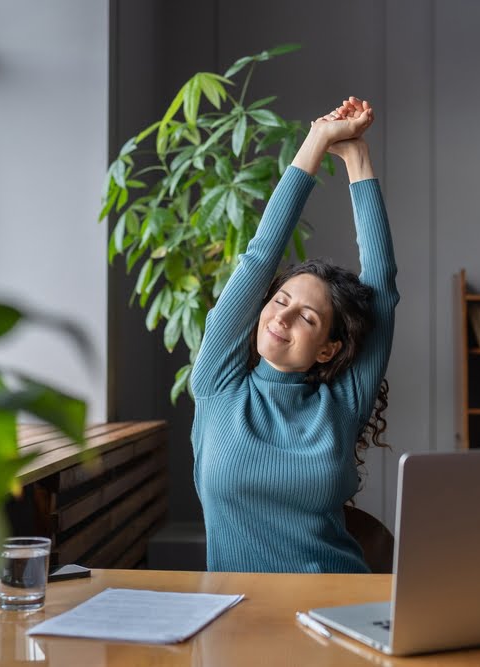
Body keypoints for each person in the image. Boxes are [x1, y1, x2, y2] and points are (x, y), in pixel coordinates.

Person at [189, 96, 399, 573]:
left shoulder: (342, 404)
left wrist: (356, 157)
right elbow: (261, 256)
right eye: (280, 301)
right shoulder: (218, 384)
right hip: (238, 614)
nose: (281, 318)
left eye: (307, 318)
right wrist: (317, 139)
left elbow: (381, 286)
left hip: (339, 603)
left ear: (329, 348)